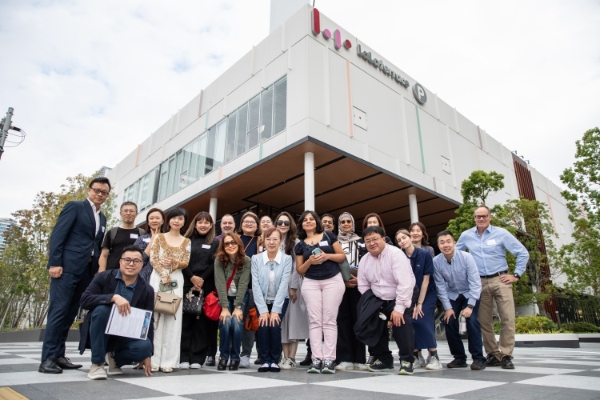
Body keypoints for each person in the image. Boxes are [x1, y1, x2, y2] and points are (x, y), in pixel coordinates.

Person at [40, 177, 110, 374]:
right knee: (58, 311)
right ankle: (47, 359)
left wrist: (96, 268)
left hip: (86, 271)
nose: (100, 194)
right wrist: (54, 263)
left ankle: (58, 355)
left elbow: (96, 244)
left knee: (70, 313)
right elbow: (58, 234)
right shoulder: (75, 207)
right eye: (97, 190)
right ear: (89, 190)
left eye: (104, 192)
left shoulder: (102, 217)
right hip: (66, 268)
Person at [456, 205, 529, 369]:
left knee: (507, 318)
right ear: (474, 218)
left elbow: (522, 252)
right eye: (478, 216)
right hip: (479, 282)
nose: (481, 219)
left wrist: (516, 275)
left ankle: (506, 355)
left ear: (490, 217)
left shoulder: (501, 233)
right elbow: (456, 256)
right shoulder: (466, 235)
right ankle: (493, 354)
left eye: (484, 216)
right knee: (484, 321)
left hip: (500, 279)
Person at [79, 245, 154, 380]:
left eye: (136, 261)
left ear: (142, 264)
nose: (131, 264)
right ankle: (97, 363)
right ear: (120, 262)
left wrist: (148, 354)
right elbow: (85, 300)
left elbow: (148, 320)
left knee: (145, 346)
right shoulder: (104, 277)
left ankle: (115, 359)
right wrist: (113, 298)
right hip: (101, 331)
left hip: (125, 334)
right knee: (102, 310)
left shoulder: (147, 289)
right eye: (127, 260)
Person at [357, 226, 417, 375]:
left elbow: (405, 284)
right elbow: (363, 285)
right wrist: (373, 304)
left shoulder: (396, 255)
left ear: (383, 239)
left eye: (375, 239)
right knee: (370, 321)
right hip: (377, 298)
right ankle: (384, 359)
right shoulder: (364, 260)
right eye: (368, 241)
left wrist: (399, 308)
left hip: (400, 295)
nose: (372, 243)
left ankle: (407, 360)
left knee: (401, 322)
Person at [295, 210, 346, 374]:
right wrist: (310, 261)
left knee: (329, 320)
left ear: (316, 222)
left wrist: (326, 256)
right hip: (311, 282)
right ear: (302, 225)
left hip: (333, 280)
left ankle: (329, 359)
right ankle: (316, 359)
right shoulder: (299, 245)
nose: (308, 221)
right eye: (305, 220)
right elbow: (300, 270)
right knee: (315, 321)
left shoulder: (329, 236)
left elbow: (341, 256)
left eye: (311, 219)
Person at [433, 231, 486, 370]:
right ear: (438, 245)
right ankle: (459, 358)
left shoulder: (466, 257)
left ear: (454, 243)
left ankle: (478, 358)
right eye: (442, 242)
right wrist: (448, 308)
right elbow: (440, 286)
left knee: (472, 321)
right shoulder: (436, 262)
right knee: (448, 320)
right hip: (453, 295)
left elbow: (475, 283)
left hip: (470, 293)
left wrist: (470, 306)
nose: (446, 245)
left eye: (448, 241)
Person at [149, 207, 191, 372]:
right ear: (169, 220)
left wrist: (173, 264)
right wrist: (163, 274)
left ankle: (169, 361)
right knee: (156, 317)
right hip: (158, 278)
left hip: (176, 279)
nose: (176, 221)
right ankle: (153, 359)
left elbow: (185, 262)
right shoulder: (159, 237)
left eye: (180, 219)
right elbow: (153, 258)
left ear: (184, 222)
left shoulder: (186, 241)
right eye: (174, 218)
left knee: (173, 318)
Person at [395, 229, 441, 370]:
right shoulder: (399, 257)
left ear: (410, 237)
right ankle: (415, 355)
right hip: (409, 295)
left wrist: (419, 303)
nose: (402, 241)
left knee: (422, 318)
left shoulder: (424, 254)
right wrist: (412, 302)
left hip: (426, 293)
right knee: (411, 321)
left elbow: (426, 280)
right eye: (399, 240)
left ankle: (433, 355)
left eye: (404, 237)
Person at [179, 211, 220, 369]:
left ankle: (197, 357)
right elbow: (182, 261)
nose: (203, 225)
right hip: (187, 282)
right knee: (186, 321)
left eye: (206, 222)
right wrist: (192, 278)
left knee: (202, 323)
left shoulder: (215, 243)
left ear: (211, 225)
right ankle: (183, 356)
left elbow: (215, 263)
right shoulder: (186, 241)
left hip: (206, 284)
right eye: (200, 222)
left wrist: (201, 279)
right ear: (195, 224)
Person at [252, 227, 292, 372]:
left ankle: (274, 360)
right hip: (262, 300)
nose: (271, 242)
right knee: (263, 326)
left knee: (274, 326)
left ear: (280, 241)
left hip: (280, 300)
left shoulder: (287, 259)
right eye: (268, 239)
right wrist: (263, 310)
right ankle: (265, 360)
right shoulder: (256, 259)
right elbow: (255, 284)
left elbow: (284, 285)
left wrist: (275, 309)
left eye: (275, 239)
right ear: (263, 241)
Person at [276, 212, 309, 370]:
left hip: (292, 287)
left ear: (291, 225)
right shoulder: (273, 240)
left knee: (294, 321)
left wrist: (293, 287)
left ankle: (292, 357)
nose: (283, 225)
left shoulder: (296, 243)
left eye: (286, 223)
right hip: (277, 288)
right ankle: (285, 356)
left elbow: (297, 267)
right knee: (282, 323)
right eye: (280, 222)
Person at [214, 233, 251, 370]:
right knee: (225, 322)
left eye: (233, 242)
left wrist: (238, 307)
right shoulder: (219, 260)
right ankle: (223, 357)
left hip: (240, 298)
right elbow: (220, 284)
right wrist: (224, 307)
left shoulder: (246, 260)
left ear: (238, 244)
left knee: (236, 322)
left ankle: (235, 357)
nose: (230, 245)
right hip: (224, 297)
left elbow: (243, 284)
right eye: (227, 243)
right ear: (223, 246)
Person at [335, 212, 366, 371]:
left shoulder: (361, 241)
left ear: (353, 223)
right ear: (339, 224)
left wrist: (359, 278)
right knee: (342, 320)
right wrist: (343, 280)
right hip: (339, 285)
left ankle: (360, 359)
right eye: (343, 222)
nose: (346, 224)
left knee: (358, 320)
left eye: (349, 221)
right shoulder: (334, 242)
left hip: (358, 285)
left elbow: (368, 262)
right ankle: (344, 358)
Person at [237, 211, 264, 368]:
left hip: (254, 287)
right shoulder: (235, 239)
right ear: (241, 224)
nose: (248, 224)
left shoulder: (261, 241)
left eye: (252, 222)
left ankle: (245, 354)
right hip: (236, 286)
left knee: (249, 321)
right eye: (245, 221)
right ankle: (232, 353)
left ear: (257, 225)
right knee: (235, 321)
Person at [98, 202, 145, 273]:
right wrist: (102, 274)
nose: (128, 213)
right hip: (112, 273)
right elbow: (104, 255)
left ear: (136, 214)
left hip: (134, 274)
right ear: (120, 213)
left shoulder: (142, 233)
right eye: (125, 211)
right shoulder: (112, 232)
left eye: (131, 211)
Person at [133, 208, 165, 283]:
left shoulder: (168, 238)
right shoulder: (141, 239)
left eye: (157, 218)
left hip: (163, 278)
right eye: (151, 218)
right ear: (148, 222)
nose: (154, 220)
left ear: (162, 221)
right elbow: (137, 260)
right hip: (144, 278)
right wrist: (152, 241)